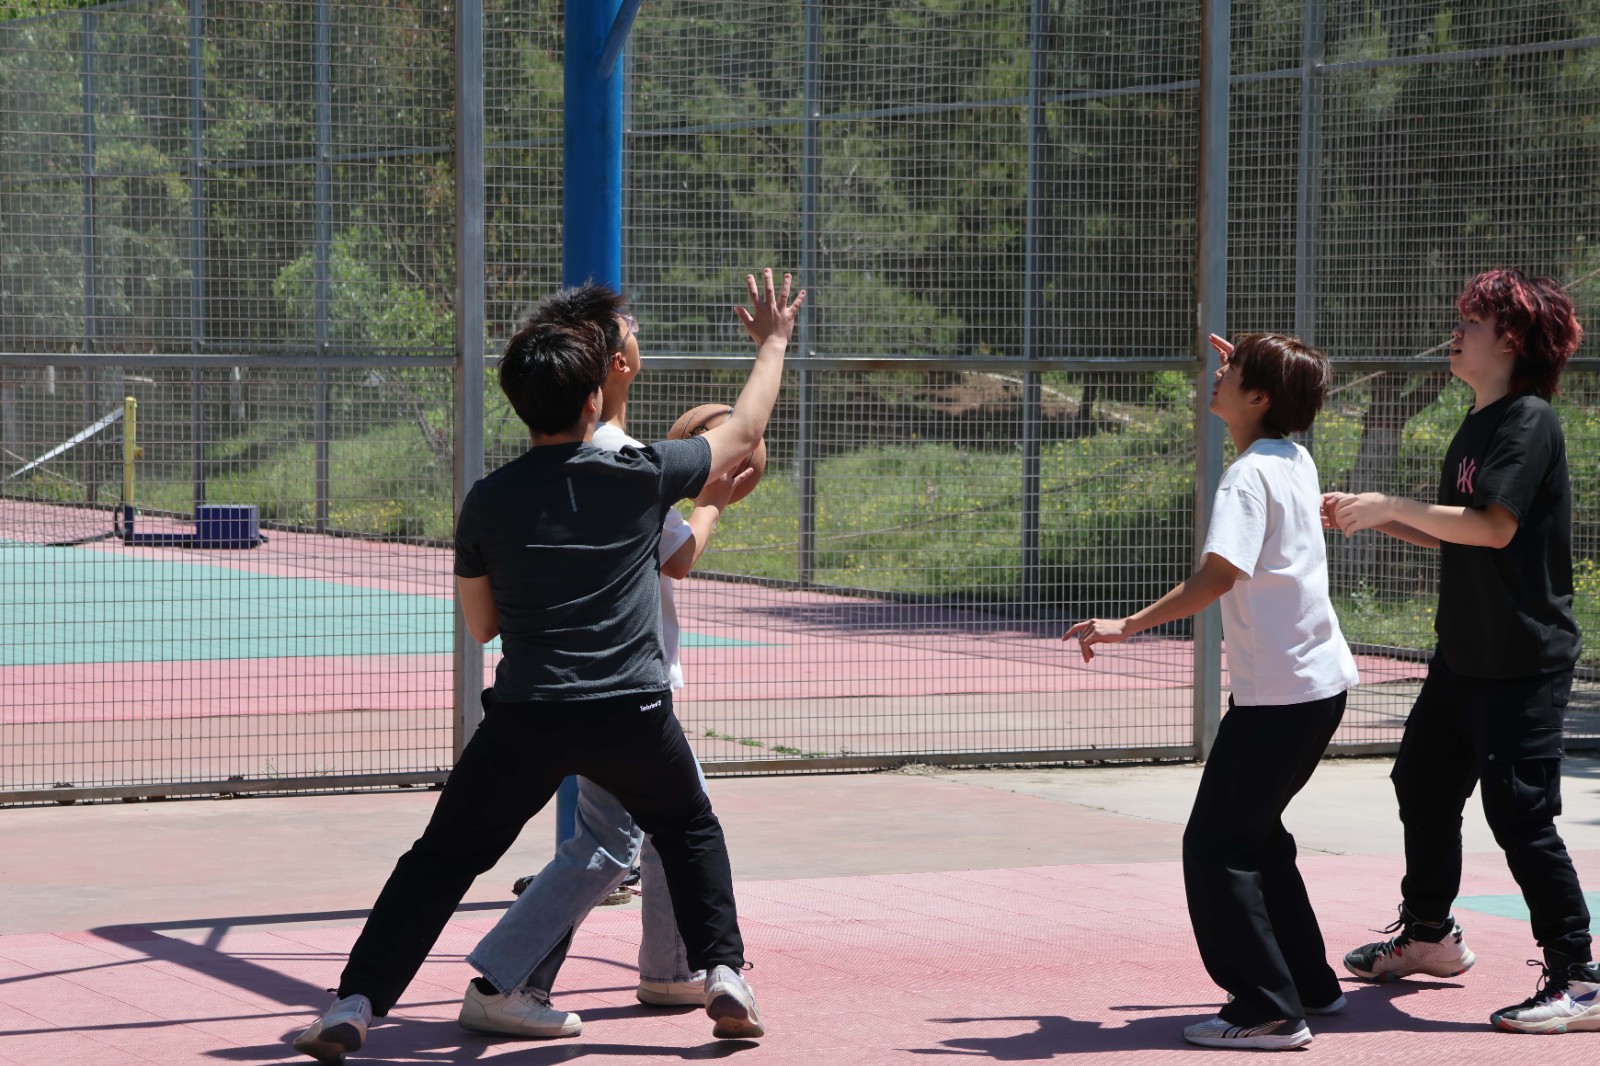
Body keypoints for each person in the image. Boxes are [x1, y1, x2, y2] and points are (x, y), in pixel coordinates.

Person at [291, 268, 805, 1063]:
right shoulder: (641, 475)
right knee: (690, 825)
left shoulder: (487, 500)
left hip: (528, 715)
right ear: (596, 396)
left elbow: (483, 624)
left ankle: (354, 1004)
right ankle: (725, 974)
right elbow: (741, 430)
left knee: (440, 861)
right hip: (632, 710)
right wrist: (772, 342)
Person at [459, 284, 754, 1040]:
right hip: (615, 684)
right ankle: (504, 977)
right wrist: (714, 497)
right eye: (629, 332)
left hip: (609, 680)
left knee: (660, 825)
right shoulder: (620, 460)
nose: (637, 336)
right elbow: (679, 558)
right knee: (614, 838)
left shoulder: (613, 455)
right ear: (614, 365)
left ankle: (669, 967)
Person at [1067, 332, 1359, 1051]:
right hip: (1319, 688)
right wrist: (1265, 364)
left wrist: (1128, 624)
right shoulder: (1291, 456)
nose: (1215, 375)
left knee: (1216, 846)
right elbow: (1275, 400)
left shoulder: (1247, 477)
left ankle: (1265, 1007)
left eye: (1228, 372)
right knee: (1257, 836)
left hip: (1282, 698)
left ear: (1258, 397)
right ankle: (1306, 984)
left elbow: (1218, 576)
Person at [1327, 268, 1599, 1034]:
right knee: (1422, 782)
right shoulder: (1478, 419)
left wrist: (1389, 504)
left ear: (1511, 338)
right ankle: (1430, 938)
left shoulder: (1529, 420)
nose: (1459, 330)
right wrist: (1374, 518)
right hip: (1464, 656)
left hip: (1523, 659)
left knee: (1521, 818)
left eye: (1473, 321)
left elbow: (1494, 527)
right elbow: (1461, 523)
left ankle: (1580, 977)